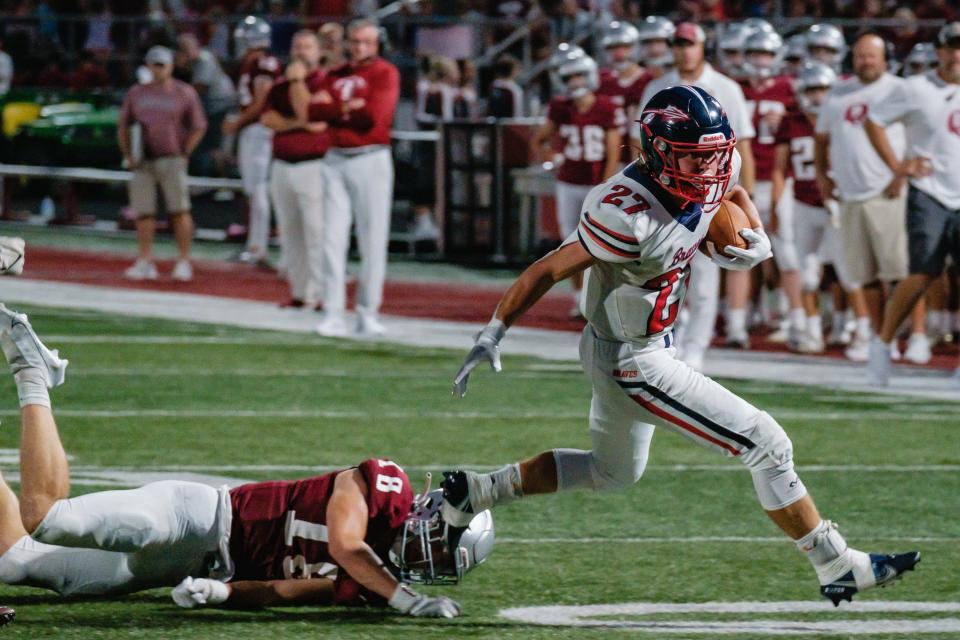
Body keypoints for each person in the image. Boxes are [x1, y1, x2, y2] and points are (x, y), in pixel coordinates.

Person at [443, 85, 919, 607]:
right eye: (693, 158)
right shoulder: (624, 209)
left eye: (713, 155)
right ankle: (836, 562)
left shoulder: (713, 166)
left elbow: (728, 196)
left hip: (641, 346)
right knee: (765, 441)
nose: (708, 168)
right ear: (657, 150)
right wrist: (494, 329)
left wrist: (751, 235)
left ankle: (475, 491)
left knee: (611, 472)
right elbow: (549, 268)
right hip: (633, 359)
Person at [0, 304, 491, 616]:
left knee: (19, 565)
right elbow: (344, 545)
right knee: (46, 519)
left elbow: (283, 591)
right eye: (445, 550)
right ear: (435, 516)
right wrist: (404, 600)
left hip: (193, 565)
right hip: (194, 517)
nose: (433, 564)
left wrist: (223, 595)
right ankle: (34, 373)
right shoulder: (384, 487)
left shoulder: (376, 582)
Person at [639, 22, 756, 371]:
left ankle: (697, 347)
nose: (682, 50)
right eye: (677, 44)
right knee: (662, 269)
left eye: (688, 44)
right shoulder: (656, 85)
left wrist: (743, 198)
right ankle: (665, 337)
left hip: (709, 191)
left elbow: (743, 147)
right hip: (664, 192)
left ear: (703, 46)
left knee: (705, 275)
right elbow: (646, 146)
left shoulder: (726, 88)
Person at [814, 32, 927, 364]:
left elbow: (920, 135)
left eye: (872, 55)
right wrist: (823, 175)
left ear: (885, 58)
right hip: (850, 195)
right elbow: (822, 139)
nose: (866, 61)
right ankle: (883, 339)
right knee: (866, 276)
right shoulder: (838, 92)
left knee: (905, 271)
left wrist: (901, 173)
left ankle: (918, 335)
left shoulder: (899, 89)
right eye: (861, 55)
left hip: (890, 191)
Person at [864, 22, 960, 384]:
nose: (956, 54)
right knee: (922, 272)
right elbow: (875, 121)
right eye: (951, 47)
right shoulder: (916, 88)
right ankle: (881, 344)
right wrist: (897, 166)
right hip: (930, 189)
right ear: (938, 51)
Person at [317, 18, 400, 337]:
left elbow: (374, 116)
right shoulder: (335, 74)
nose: (360, 47)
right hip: (336, 157)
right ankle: (332, 312)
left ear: (376, 44)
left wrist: (337, 109)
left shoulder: (384, 72)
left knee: (373, 239)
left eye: (366, 41)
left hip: (370, 156)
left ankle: (368, 312)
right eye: (355, 41)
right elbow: (313, 111)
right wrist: (347, 107)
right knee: (331, 239)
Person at [772, 62, 862, 353]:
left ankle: (863, 332)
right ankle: (812, 332)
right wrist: (776, 204)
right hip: (802, 203)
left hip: (836, 202)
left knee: (849, 273)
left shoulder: (840, 118)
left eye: (823, 89)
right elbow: (780, 167)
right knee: (807, 273)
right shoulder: (792, 121)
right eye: (812, 89)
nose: (817, 96)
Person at [531, 49, 621, 319]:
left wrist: (606, 184)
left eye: (580, 75)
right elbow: (539, 139)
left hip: (595, 183)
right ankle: (579, 299)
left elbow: (613, 150)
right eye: (569, 77)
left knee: (603, 243)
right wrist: (551, 159)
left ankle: (604, 297)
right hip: (568, 182)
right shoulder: (561, 107)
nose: (575, 82)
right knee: (571, 242)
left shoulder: (606, 107)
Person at [731, 28, 798, 350]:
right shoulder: (736, 89)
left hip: (778, 177)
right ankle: (741, 318)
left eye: (767, 54)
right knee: (738, 246)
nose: (761, 61)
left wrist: (784, 117)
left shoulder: (789, 89)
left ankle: (788, 317)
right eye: (756, 54)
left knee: (785, 249)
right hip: (741, 178)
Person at [118, 46, 207, 283]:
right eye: (153, 64)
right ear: (147, 65)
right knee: (144, 212)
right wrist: (128, 154)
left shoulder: (184, 92)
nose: (157, 69)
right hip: (143, 160)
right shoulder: (136, 93)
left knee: (179, 210)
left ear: (170, 66)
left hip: (172, 157)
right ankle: (145, 260)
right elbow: (124, 125)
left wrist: (186, 150)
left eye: (161, 64)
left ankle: (184, 260)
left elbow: (199, 125)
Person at [261, 30, 330, 311]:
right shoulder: (278, 86)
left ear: (318, 52)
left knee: (316, 231)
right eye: (297, 46)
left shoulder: (326, 80)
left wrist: (297, 81)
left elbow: (312, 116)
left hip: (314, 165)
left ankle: (320, 293)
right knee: (290, 233)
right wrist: (298, 124)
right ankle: (300, 291)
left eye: (307, 47)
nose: (301, 52)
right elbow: (268, 119)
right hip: (282, 164)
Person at [224, 16, 282, 267]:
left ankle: (257, 247)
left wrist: (237, 121)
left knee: (259, 190)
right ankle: (253, 243)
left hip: (260, 130)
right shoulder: (250, 64)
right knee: (252, 189)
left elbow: (262, 102)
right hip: (252, 129)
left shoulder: (263, 63)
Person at [177, 33, 238, 178]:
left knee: (219, 148)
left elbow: (200, 87)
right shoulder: (196, 62)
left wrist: (178, 95)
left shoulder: (205, 59)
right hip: (213, 108)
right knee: (211, 148)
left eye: (187, 48)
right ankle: (216, 183)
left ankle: (225, 185)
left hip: (223, 107)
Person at [597, 21, 649, 166]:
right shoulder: (601, 81)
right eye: (613, 48)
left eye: (625, 47)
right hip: (608, 158)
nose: (619, 53)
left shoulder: (649, 80)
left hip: (642, 155)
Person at [635, 15, 675, 80]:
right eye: (648, 42)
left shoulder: (683, 74)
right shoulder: (637, 78)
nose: (654, 48)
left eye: (659, 41)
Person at [487, 54, 523, 118]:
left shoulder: (494, 85)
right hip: (510, 124)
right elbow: (517, 114)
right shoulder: (514, 89)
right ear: (513, 70)